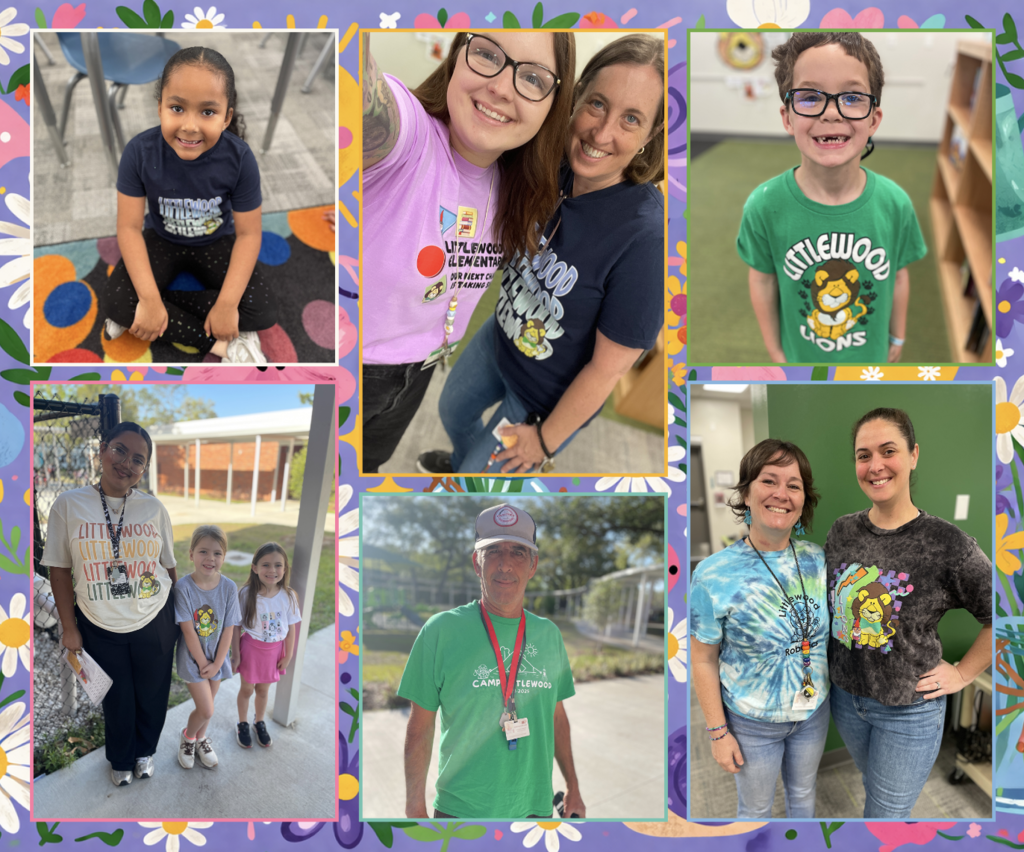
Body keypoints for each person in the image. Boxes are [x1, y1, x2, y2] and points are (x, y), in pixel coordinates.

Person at [420, 34, 665, 475]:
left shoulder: (645, 237)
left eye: (631, 119)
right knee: (451, 411)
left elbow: (608, 371)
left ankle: (470, 470)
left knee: (479, 484)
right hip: (500, 338)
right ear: (573, 98)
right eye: (596, 104)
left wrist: (544, 440)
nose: (602, 133)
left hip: (542, 399)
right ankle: (461, 461)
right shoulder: (549, 162)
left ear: (650, 136)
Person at [360, 31, 576, 472]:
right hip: (353, 368)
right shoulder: (408, 134)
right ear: (458, 54)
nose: (500, 86)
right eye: (486, 54)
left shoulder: (513, 182)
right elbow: (360, 92)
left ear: (552, 104)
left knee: (367, 468)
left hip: (417, 370)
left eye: (532, 78)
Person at [826, 407, 992, 818]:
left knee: (883, 816)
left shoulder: (947, 544)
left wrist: (964, 673)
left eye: (888, 451)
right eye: (864, 455)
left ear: (913, 454)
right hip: (846, 700)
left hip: (909, 712)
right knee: (878, 792)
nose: (875, 465)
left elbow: (1006, 614)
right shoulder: (841, 531)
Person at [738, 32, 927, 364]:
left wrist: (897, 333)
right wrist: (774, 349)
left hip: (872, 359)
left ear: (873, 120)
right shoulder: (764, 206)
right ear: (787, 117)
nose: (831, 113)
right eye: (810, 97)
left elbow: (898, 275)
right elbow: (762, 279)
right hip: (802, 357)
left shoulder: (896, 203)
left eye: (852, 97)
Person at [397, 504, 584, 819]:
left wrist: (573, 787)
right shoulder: (441, 630)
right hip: (460, 813)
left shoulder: (549, 634)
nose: (506, 565)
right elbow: (421, 726)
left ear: (533, 564)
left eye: (518, 553)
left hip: (536, 812)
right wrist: (415, 809)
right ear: (476, 562)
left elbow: (557, 718)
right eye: (493, 551)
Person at [99, 46, 274, 364]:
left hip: (216, 240)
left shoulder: (240, 159)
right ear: (160, 107)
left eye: (207, 112)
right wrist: (149, 299)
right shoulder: (139, 153)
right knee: (114, 301)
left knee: (263, 307)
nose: (190, 126)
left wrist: (227, 304)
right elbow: (127, 228)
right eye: (177, 108)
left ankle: (151, 313)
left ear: (226, 117)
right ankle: (221, 343)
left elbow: (249, 235)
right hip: (161, 238)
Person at [690, 439, 830, 818]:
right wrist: (718, 733)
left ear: (804, 501)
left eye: (794, 485)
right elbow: (702, 659)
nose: (781, 494)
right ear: (746, 493)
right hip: (751, 723)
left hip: (813, 712)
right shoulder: (712, 574)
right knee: (755, 810)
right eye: (769, 481)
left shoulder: (818, 559)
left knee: (803, 795)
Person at [41, 422, 179, 787]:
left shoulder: (154, 509)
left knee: (152, 693)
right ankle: (120, 758)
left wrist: (179, 618)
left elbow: (169, 566)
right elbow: (59, 569)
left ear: (144, 468)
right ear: (102, 450)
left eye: (138, 459)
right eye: (119, 450)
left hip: (155, 619)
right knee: (116, 698)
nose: (126, 463)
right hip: (99, 624)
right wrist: (69, 628)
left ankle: (145, 752)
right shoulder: (68, 505)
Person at [173, 525, 240, 770]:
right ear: (191, 554)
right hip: (194, 659)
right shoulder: (183, 588)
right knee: (207, 709)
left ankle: (201, 739)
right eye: (203, 552)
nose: (210, 559)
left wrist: (218, 662)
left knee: (207, 709)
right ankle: (188, 737)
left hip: (218, 656)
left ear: (224, 556)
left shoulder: (229, 588)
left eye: (217, 553)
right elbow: (188, 630)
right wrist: (204, 664)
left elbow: (229, 628)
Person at [230, 542, 301, 749]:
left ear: (285, 569)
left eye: (278, 565)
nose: (272, 570)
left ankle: (258, 722)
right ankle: (242, 723)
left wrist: (287, 655)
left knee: (263, 690)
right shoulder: (246, 594)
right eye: (266, 565)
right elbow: (236, 627)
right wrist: (236, 655)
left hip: (274, 652)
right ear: (254, 568)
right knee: (247, 690)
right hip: (251, 650)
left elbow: (291, 628)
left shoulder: (289, 596)